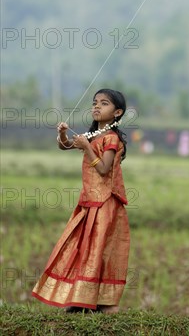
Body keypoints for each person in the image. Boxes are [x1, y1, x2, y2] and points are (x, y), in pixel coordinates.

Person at [32, 89, 130, 314]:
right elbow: (65, 146)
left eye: (104, 104)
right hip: (89, 203)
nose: (97, 107)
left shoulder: (111, 139)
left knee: (98, 251)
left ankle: (100, 301)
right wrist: (63, 135)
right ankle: (81, 297)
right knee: (82, 249)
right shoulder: (94, 136)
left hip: (105, 205)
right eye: (95, 102)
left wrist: (86, 148)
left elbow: (104, 169)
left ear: (117, 112)